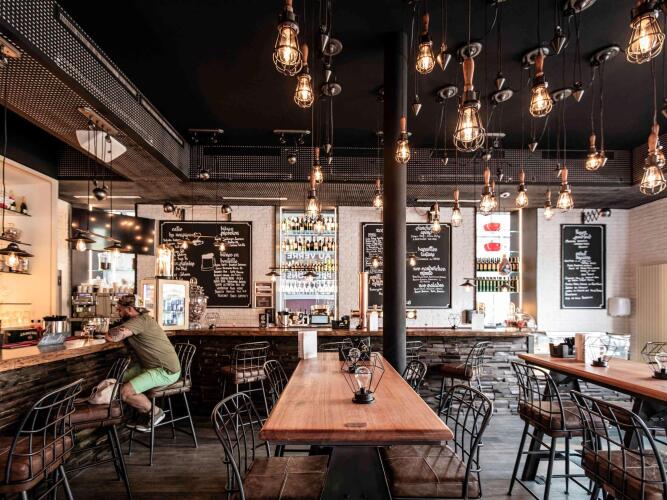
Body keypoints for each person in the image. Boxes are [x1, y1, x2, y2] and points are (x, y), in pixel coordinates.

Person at [105, 294, 181, 432]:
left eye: (120, 309)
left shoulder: (139, 320)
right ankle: (139, 414)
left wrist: (107, 330)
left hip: (165, 371)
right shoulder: (143, 319)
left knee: (125, 392)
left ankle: (156, 412)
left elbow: (113, 337)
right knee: (117, 379)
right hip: (149, 366)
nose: (118, 312)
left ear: (129, 309)